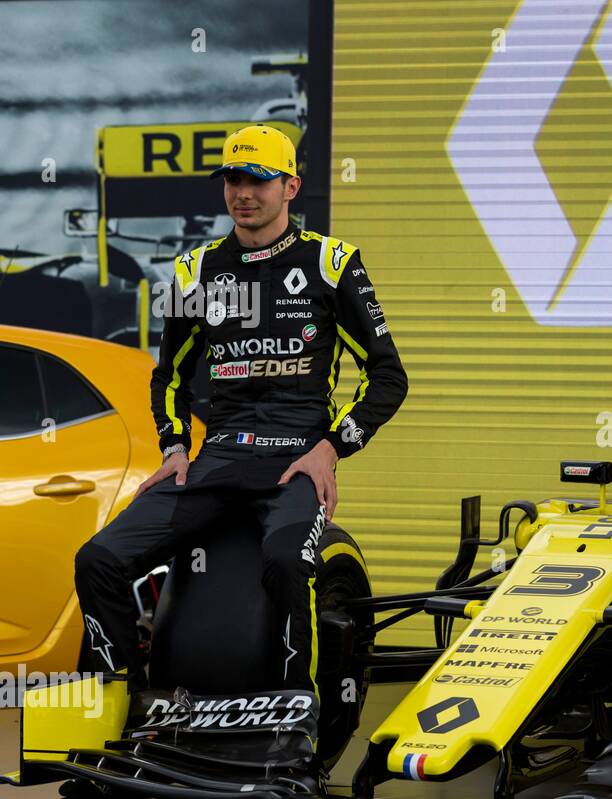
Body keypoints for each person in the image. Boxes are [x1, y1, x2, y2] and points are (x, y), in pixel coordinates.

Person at [74, 124, 408, 701]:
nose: (243, 193)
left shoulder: (332, 263)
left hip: (294, 464)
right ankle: (116, 709)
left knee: (286, 561)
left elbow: (388, 377)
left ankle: (295, 720)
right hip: (216, 461)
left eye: (258, 179)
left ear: (291, 187)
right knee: (97, 558)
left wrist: (330, 449)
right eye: (233, 179)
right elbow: (170, 376)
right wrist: (174, 447)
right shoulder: (193, 272)